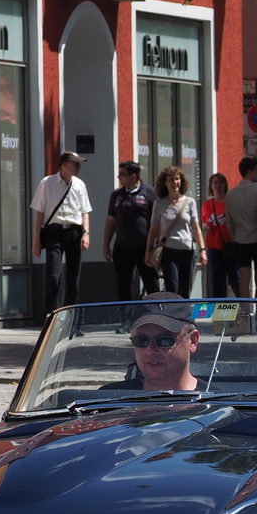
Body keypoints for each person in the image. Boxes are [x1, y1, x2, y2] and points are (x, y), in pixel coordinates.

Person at [31, 151, 93, 314]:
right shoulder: (47, 183)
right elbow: (39, 212)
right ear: (64, 165)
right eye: (75, 164)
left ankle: (70, 315)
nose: (79, 167)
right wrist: (36, 239)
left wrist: (86, 233)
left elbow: (85, 211)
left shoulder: (80, 184)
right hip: (54, 232)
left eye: (79, 164)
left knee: (73, 278)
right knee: (53, 276)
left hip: (74, 232)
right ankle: (50, 315)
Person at [104, 292, 200, 391]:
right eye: (141, 340)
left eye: (164, 341)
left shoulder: (213, 399)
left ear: (192, 341)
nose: (150, 351)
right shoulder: (107, 399)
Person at [103, 160, 160, 302]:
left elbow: (158, 221)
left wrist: (157, 246)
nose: (119, 177)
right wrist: (106, 245)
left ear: (133, 176)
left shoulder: (150, 193)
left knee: (151, 283)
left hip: (144, 248)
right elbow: (110, 220)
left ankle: (157, 316)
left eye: (122, 174)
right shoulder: (116, 195)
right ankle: (126, 319)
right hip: (122, 247)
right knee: (123, 284)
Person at [146, 166, 206, 295]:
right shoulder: (159, 203)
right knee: (172, 288)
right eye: (171, 180)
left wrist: (202, 249)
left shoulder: (190, 202)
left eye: (177, 179)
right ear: (165, 183)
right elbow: (153, 229)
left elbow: (196, 228)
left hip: (188, 251)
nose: (175, 183)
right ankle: (172, 314)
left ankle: (183, 315)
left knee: (185, 290)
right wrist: (148, 250)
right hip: (169, 251)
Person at [223, 156, 257, 298]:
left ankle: (245, 313)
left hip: (240, 240)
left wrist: (234, 238)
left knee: (244, 280)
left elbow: (229, 222)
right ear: (250, 171)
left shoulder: (231, 194)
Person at [200, 173, 232, 296]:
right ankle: (219, 309)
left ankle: (241, 307)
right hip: (214, 246)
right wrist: (205, 227)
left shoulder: (229, 203)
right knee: (217, 280)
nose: (217, 185)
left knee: (235, 279)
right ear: (211, 186)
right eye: (215, 182)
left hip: (229, 245)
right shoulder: (208, 205)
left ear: (224, 185)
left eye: (220, 182)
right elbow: (205, 222)